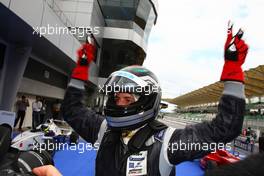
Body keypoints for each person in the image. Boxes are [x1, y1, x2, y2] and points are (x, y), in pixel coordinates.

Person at [33, 23, 248, 175]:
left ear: (147, 100)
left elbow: (225, 129)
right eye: (116, 98)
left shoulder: (167, 142)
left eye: (127, 98)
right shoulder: (103, 129)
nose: (119, 103)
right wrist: (81, 69)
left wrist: (233, 72)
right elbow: (71, 110)